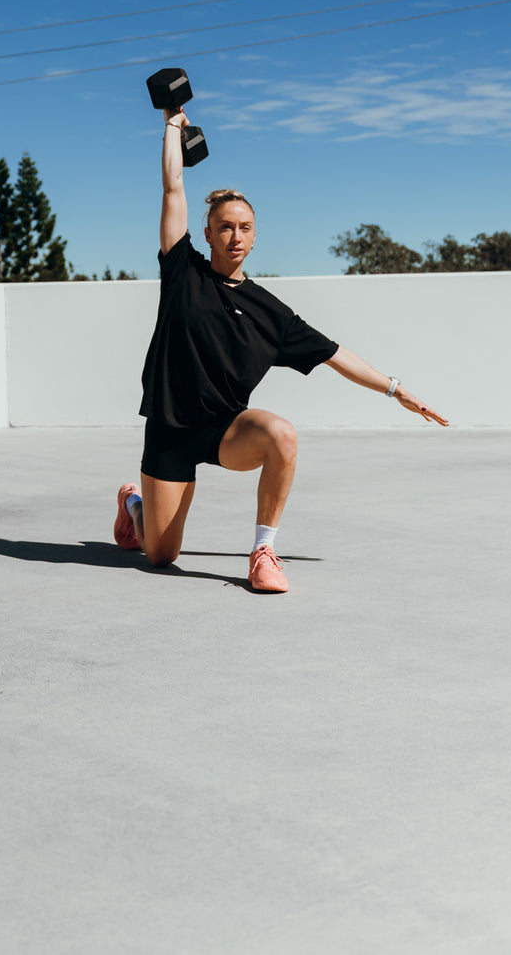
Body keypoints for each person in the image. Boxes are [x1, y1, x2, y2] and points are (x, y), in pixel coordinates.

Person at [114, 105, 447, 592]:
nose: (234, 236)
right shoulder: (183, 271)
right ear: (206, 234)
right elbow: (172, 189)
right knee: (161, 557)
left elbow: (337, 355)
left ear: (254, 237)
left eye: (244, 227)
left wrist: (396, 389)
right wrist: (171, 125)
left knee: (282, 435)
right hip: (169, 430)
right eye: (224, 227)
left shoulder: (271, 312)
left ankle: (264, 551)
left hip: (225, 430)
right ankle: (132, 503)